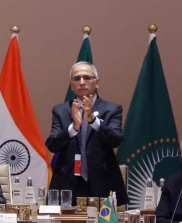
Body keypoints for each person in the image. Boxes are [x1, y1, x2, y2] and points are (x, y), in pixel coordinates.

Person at [46, 62, 127, 207]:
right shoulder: (60, 110)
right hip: (67, 184)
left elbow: (116, 140)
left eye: (87, 77)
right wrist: (73, 128)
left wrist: (93, 120)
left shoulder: (112, 109)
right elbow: (52, 144)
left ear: (97, 82)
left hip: (102, 184)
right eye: (77, 79)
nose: (82, 82)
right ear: (71, 85)